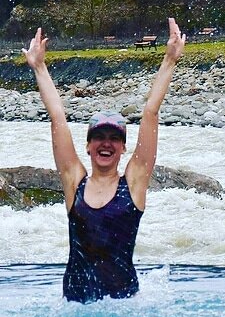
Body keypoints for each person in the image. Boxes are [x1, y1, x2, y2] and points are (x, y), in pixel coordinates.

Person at [23, 17, 186, 302]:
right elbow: (57, 116)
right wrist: (39, 67)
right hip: (76, 307)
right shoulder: (74, 181)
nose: (106, 143)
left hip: (122, 306)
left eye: (114, 138)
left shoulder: (134, 183)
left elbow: (150, 113)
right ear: (88, 146)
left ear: (123, 148)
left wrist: (170, 60)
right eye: (100, 137)